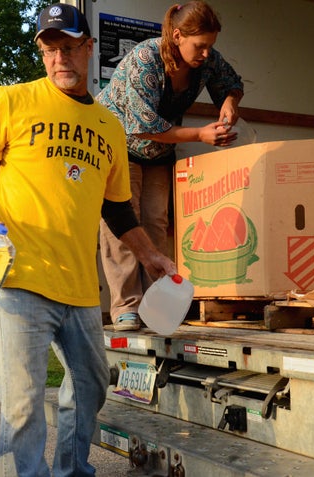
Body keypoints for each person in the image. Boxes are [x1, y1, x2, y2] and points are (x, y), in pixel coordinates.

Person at [0, 4, 176, 476]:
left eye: (69, 48)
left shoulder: (110, 128)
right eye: (50, 49)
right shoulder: (10, 101)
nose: (59, 59)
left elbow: (117, 209)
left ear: (89, 49)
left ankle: (71, 471)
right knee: (23, 405)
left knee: (91, 387)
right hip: (19, 280)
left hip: (78, 290)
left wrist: (150, 254)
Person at [97, 1, 244, 331]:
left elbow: (231, 81)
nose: (206, 53)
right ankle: (126, 306)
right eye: (200, 46)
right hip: (121, 145)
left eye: (210, 46)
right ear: (177, 36)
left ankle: (157, 303)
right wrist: (200, 135)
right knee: (122, 224)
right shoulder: (145, 59)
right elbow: (142, 124)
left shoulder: (206, 61)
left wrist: (229, 101)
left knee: (157, 222)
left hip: (159, 152)